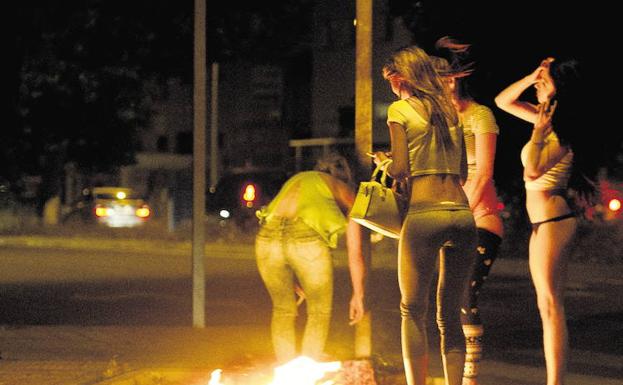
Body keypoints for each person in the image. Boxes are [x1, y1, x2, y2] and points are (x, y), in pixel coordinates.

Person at [370, 45, 477, 385]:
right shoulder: (451, 112)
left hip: (424, 213)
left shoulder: (400, 109)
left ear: (402, 78)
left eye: (391, 80)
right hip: (461, 214)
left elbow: (402, 168)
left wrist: (385, 163)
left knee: (412, 311)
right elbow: (461, 172)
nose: (390, 87)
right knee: (449, 315)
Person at [494, 56, 596, 385]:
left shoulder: (561, 131)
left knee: (552, 306)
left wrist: (538, 132)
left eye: (546, 80)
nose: (539, 85)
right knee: (546, 306)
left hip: (554, 221)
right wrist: (531, 75)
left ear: (560, 89)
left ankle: (556, 382)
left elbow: (533, 169)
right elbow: (502, 101)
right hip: (544, 223)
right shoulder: (545, 121)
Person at [433, 37, 505, 385]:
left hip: (479, 218)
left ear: (456, 79)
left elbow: (484, 174)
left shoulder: (480, 116)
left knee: (465, 295)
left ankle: (470, 379)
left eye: (444, 77)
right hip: (448, 216)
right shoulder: (438, 120)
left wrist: (460, 214)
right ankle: (453, 377)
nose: (438, 84)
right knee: (443, 301)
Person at [255, 152, 366, 364]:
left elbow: (283, 233)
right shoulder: (347, 192)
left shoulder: (298, 179)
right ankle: (306, 375)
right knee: (319, 312)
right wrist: (358, 295)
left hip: (266, 239)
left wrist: (293, 274)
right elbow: (356, 253)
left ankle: (287, 374)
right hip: (306, 239)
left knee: (283, 310)